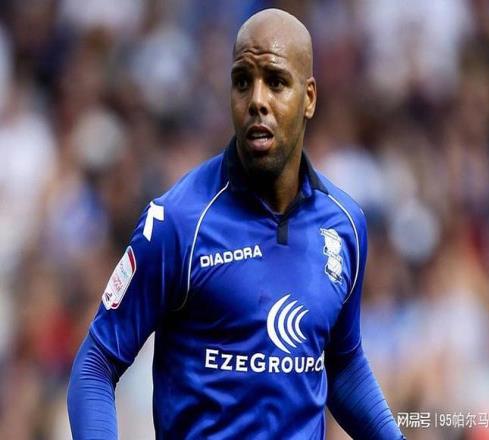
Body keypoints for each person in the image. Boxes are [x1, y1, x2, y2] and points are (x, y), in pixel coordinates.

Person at [67, 8, 405, 439]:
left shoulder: (345, 225)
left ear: (309, 98)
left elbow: (343, 363)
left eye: (276, 82)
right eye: (242, 81)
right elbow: (96, 363)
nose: (257, 100)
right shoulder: (179, 222)